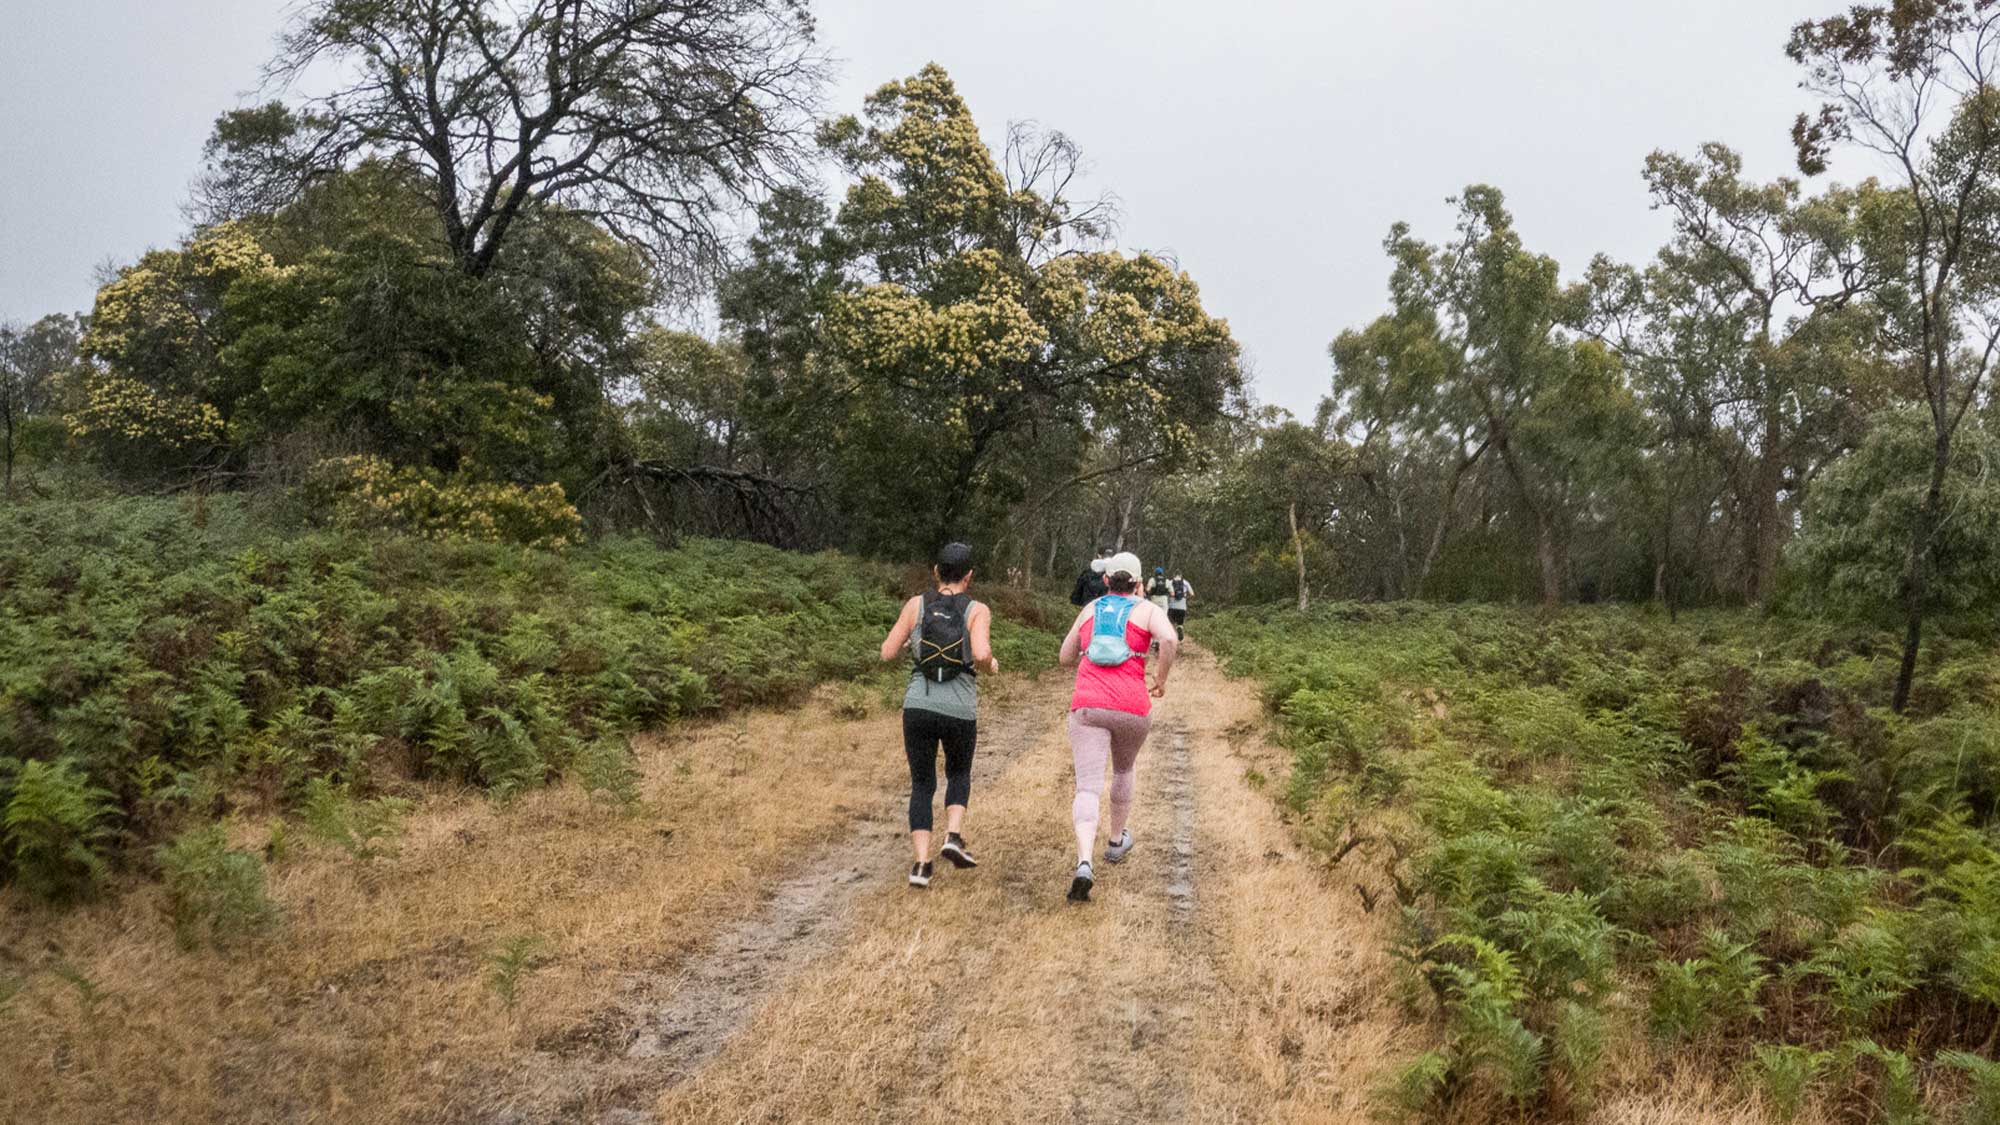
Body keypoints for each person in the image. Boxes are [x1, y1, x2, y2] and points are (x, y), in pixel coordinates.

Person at [1056, 551, 1177, 902]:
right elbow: (1169, 640)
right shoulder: (1148, 609)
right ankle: (1115, 840)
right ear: (1139, 583)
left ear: (1106, 581)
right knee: (1124, 769)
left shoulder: (1090, 609)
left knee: (1087, 787)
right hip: (1132, 706)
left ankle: (1083, 861)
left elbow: (1065, 658)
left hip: (1089, 705)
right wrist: (1161, 677)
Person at [879, 542, 998, 888]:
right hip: (960, 706)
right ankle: (953, 836)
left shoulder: (916, 604)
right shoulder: (977, 609)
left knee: (921, 783)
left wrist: (910, 646)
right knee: (959, 771)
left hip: (918, 704)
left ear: (935, 572)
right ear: (970, 576)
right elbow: (980, 652)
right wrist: (991, 665)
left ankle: (920, 865)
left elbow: (886, 653)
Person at [1167, 573, 1193, 640]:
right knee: (1180, 623)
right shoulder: (1185, 582)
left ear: (1174, 576)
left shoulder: (1170, 582)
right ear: (1181, 576)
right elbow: (1192, 594)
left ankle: (1171, 637)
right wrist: (1185, 597)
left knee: (1171, 623)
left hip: (1171, 606)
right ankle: (1179, 628)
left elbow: (1167, 592)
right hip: (1182, 607)